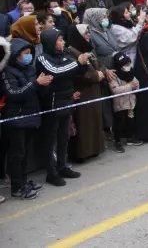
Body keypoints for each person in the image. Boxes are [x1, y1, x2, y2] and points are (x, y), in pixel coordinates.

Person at [36, 28, 88, 186]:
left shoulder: (65, 55)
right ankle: (51, 172)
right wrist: (76, 63)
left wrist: (83, 64)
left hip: (66, 100)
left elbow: (75, 71)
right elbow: (56, 71)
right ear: (51, 42)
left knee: (64, 137)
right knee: (51, 140)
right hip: (52, 104)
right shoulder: (42, 58)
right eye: (59, 40)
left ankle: (62, 166)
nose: (63, 42)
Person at [1, 37, 48, 199]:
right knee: (17, 154)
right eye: (25, 53)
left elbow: (33, 90)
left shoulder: (29, 69)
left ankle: (24, 181)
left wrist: (43, 85)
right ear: (16, 55)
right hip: (16, 119)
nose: (29, 56)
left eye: (30, 53)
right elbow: (13, 94)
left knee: (26, 153)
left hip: (30, 116)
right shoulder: (7, 72)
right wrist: (36, 83)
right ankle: (16, 187)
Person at [66, 24, 107, 162]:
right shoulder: (71, 52)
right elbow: (79, 73)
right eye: (85, 32)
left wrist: (101, 72)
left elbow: (99, 65)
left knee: (95, 120)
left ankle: (95, 149)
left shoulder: (88, 49)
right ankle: (82, 153)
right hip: (83, 92)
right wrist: (97, 75)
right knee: (84, 123)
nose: (88, 35)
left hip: (94, 91)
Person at [108, 52, 142, 153]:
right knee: (119, 123)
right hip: (120, 104)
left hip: (130, 102)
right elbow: (115, 90)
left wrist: (136, 85)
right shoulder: (114, 76)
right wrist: (130, 87)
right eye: (125, 65)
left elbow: (136, 83)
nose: (128, 66)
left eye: (129, 64)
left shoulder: (130, 73)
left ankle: (130, 137)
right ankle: (117, 142)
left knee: (130, 120)